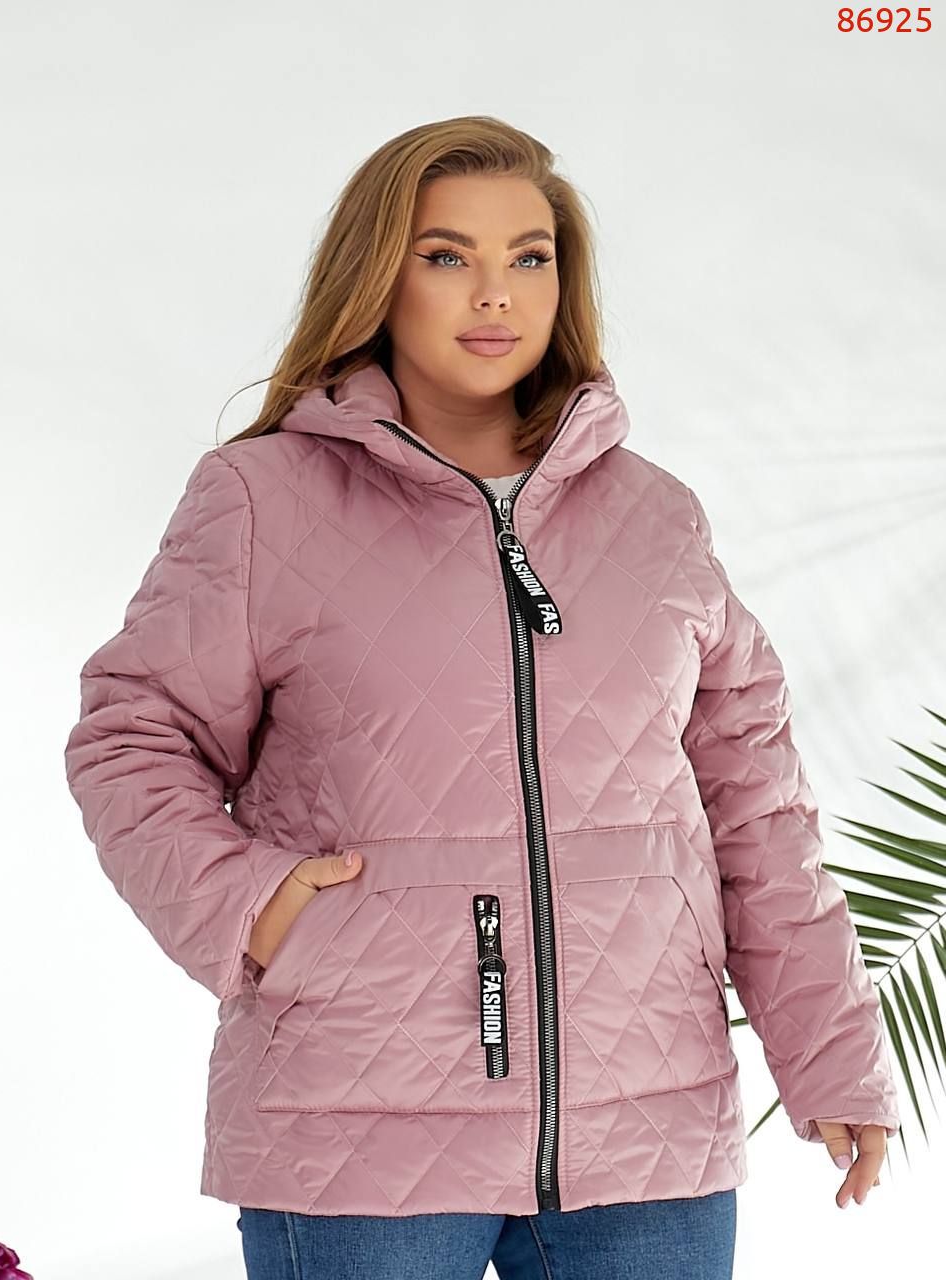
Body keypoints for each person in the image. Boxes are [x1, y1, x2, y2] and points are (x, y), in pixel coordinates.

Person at [63, 115, 900, 1280]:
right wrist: (253, 907)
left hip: (646, 1130)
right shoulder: (262, 498)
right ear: (378, 275)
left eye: (529, 256)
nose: (495, 291)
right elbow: (132, 735)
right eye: (446, 255)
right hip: (355, 1124)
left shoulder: (653, 517)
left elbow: (755, 806)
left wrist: (829, 1050)